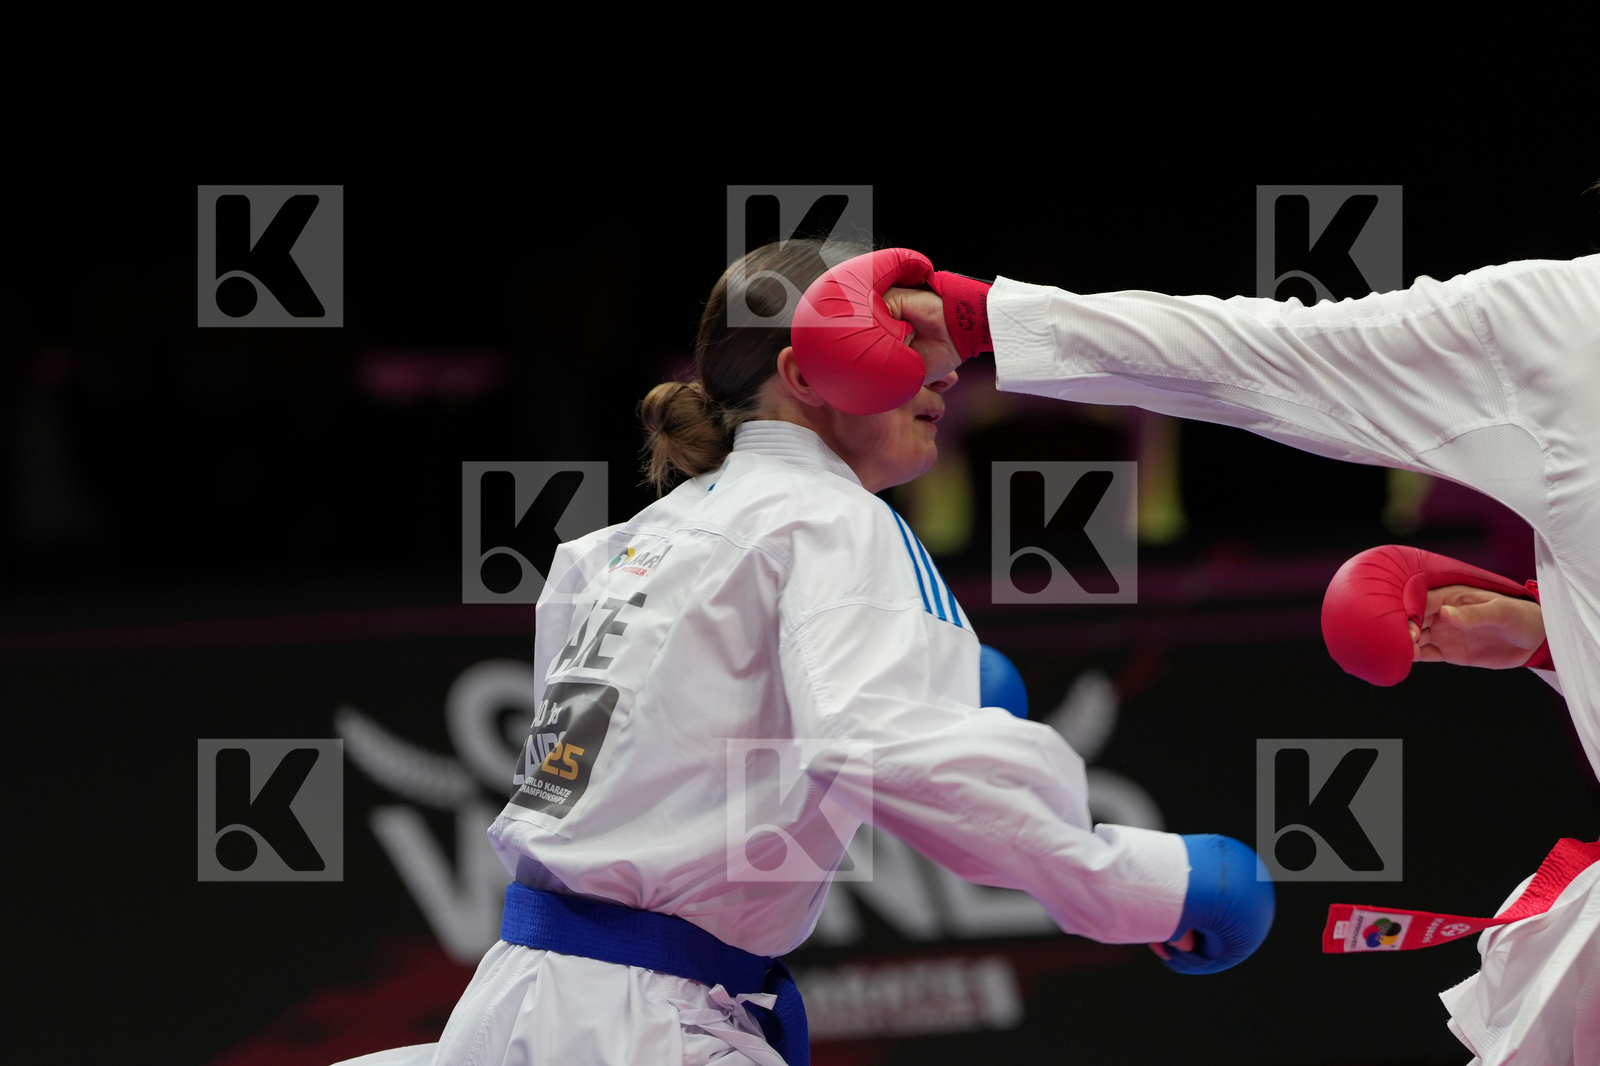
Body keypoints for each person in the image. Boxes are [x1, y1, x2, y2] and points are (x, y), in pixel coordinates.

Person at [403, 241, 1274, 1066]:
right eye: (907, 339)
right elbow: (878, 750)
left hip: (512, 1005)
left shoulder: (612, 548)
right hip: (645, 1027)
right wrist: (1142, 885)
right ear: (808, 373)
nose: (949, 368)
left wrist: (941, 692)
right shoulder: (832, 517)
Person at [809, 247, 1600, 1066]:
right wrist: (983, 321)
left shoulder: (1565, 318)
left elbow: (1268, 355)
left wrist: (1553, 641)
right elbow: (1268, 353)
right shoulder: (1571, 319)